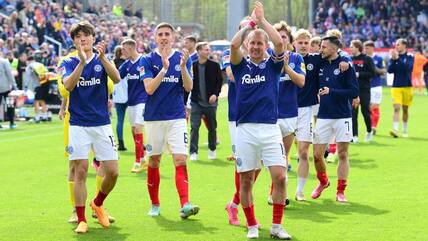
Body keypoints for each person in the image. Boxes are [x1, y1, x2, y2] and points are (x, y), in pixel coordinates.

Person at [230, 2, 291, 239]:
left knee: (280, 176)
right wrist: (249, 26)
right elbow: (233, 45)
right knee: (246, 180)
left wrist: (263, 22)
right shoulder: (239, 66)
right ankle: (252, 225)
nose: (255, 47)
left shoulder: (273, 66)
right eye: (252, 43)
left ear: (265, 46)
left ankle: (276, 226)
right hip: (245, 130)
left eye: (259, 43)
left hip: (269, 129)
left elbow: (280, 43)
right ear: (248, 45)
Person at [60, 21, 121, 234]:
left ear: (93, 38)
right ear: (74, 41)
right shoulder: (68, 61)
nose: (82, 39)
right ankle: (81, 218)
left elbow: (117, 78)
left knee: (112, 172)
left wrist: (103, 58)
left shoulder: (102, 59)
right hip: (78, 124)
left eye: (86, 35)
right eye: (78, 37)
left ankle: (98, 203)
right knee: (80, 170)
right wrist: (82, 63)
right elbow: (67, 86)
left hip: (102, 124)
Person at [140, 22, 199, 218]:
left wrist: (182, 67)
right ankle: (154, 204)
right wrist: (164, 70)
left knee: (180, 158)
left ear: (173, 37)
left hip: (176, 117)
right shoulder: (147, 60)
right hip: (154, 118)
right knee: (154, 161)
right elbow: (149, 89)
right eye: (160, 34)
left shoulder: (183, 58)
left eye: (167, 34)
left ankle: (185, 204)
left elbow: (189, 87)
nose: (164, 37)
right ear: (155, 38)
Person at [311, 36, 359, 203]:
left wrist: (332, 91)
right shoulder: (320, 62)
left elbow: (353, 91)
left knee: (343, 154)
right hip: (323, 116)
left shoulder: (345, 66)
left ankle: (340, 191)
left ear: (333, 48)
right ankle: (324, 182)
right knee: (317, 155)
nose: (320, 49)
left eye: (324, 47)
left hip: (342, 116)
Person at [267, 21, 305, 206]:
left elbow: (301, 82)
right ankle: (274, 192)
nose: (280, 39)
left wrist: (287, 68)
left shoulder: (297, 59)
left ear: (289, 40)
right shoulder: (267, 58)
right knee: (271, 157)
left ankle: (276, 193)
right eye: (277, 36)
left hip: (290, 114)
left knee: (283, 157)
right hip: (269, 115)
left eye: (283, 37)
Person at [189, 42, 223, 161]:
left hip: (211, 103)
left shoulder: (214, 65)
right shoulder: (192, 66)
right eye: (205, 50)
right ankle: (193, 152)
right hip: (196, 102)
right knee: (194, 127)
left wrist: (215, 94)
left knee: (212, 127)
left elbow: (220, 81)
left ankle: (212, 149)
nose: (208, 52)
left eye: (208, 50)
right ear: (198, 51)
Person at [119, 39, 148, 173]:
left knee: (137, 129)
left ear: (131, 48)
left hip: (143, 101)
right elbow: (116, 77)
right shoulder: (126, 65)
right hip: (131, 102)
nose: (122, 52)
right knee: (133, 131)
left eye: (124, 49)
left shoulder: (144, 61)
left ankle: (137, 162)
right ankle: (143, 158)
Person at [387, 38, 414, 138]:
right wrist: (393, 60)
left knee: (405, 109)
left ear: (404, 46)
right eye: (396, 44)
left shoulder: (410, 57)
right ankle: (395, 130)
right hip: (396, 87)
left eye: (398, 44)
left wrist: (397, 59)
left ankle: (404, 130)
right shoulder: (394, 57)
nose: (396, 46)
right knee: (396, 108)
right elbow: (390, 70)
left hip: (407, 86)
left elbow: (407, 68)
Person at [350, 40, 375, 143]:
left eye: (352, 47)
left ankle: (369, 131)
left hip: (364, 90)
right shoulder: (349, 59)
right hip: (353, 90)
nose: (350, 48)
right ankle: (354, 135)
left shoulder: (367, 59)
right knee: (353, 113)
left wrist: (359, 74)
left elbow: (372, 73)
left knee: (365, 112)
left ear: (358, 47)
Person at [364, 40, 386, 135]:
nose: (365, 50)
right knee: (368, 107)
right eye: (365, 48)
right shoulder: (363, 58)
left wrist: (373, 68)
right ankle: (370, 126)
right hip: (365, 86)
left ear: (372, 48)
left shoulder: (379, 58)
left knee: (375, 106)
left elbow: (383, 71)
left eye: (367, 48)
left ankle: (373, 127)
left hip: (376, 85)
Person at [24, 56, 50, 123]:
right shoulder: (40, 64)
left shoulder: (29, 67)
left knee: (36, 101)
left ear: (28, 61)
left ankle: (37, 117)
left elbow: (27, 77)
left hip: (38, 85)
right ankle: (45, 116)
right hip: (46, 83)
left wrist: (25, 87)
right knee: (42, 100)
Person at [112, 45, 128, 151]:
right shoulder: (127, 64)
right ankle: (139, 143)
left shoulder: (112, 64)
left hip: (117, 94)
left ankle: (120, 143)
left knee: (120, 120)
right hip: (129, 93)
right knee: (136, 121)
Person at [0, 54, 16, 129]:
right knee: (10, 105)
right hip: (6, 87)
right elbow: (10, 74)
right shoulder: (4, 61)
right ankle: (12, 122)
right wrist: (14, 85)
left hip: (4, 87)